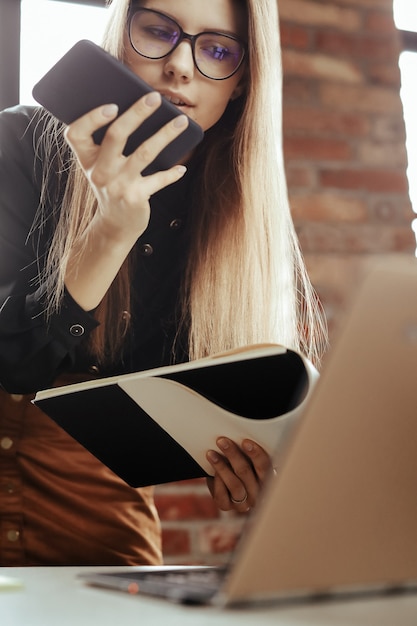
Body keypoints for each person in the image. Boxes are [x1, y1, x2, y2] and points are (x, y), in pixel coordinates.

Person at [0, 0, 327, 566]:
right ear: (119, 36)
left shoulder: (232, 213)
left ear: (243, 82)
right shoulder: (20, 144)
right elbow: (11, 365)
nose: (180, 66)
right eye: (158, 31)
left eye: (217, 50)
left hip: (101, 538)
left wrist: (251, 464)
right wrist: (111, 231)